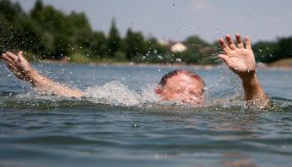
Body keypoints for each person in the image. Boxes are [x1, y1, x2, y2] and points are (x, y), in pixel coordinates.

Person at [1, 33, 270, 108]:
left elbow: (257, 108)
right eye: (181, 92)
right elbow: (75, 96)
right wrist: (32, 76)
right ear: (158, 92)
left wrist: (249, 78)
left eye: (196, 95)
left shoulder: (211, 110)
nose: (190, 99)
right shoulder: (135, 103)